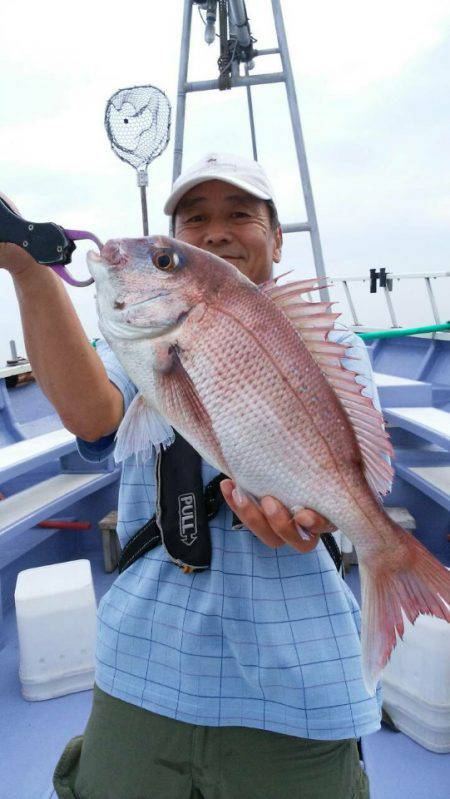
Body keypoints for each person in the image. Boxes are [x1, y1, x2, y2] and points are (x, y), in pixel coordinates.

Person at [0, 153, 382, 799]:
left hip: (295, 675)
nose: (216, 231)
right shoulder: (142, 341)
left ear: (276, 237)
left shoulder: (331, 341)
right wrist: (30, 271)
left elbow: (344, 467)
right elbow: (95, 420)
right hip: (144, 658)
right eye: (193, 221)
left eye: (241, 214)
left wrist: (316, 514)